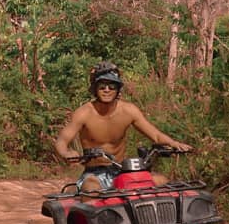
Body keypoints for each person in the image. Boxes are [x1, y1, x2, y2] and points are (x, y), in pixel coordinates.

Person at [54, 63, 191, 191]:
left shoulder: (128, 110)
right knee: (91, 188)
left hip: (121, 170)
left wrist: (174, 143)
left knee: (161, 180)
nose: (107, 90)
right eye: (102, 86)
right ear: (95, 89)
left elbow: (155, 135)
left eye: (112, 86)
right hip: (93, 173)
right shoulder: (84, 113)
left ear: (118, 89)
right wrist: (67, 153)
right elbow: (62, 141)